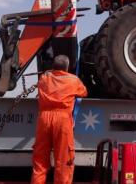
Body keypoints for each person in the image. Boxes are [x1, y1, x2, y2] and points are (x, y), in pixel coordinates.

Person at [31, 55, 88, 184]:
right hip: (62, 119)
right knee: (63, 160)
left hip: (44, 118)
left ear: (53, 66)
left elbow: (45, 77)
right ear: (67, 67)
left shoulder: (44, 78)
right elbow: (84, 92)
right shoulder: (73, 80)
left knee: (40, 159)